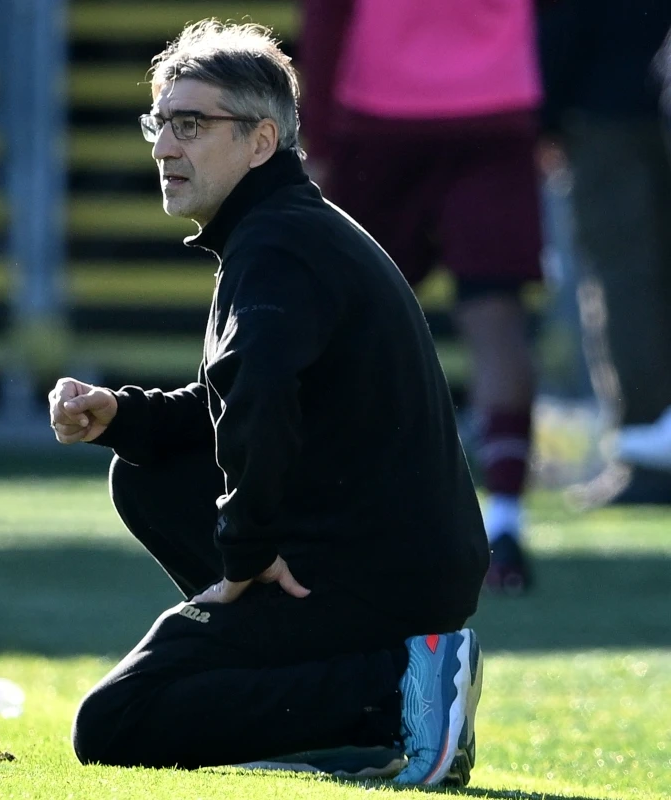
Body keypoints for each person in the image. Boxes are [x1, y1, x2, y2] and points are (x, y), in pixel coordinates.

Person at [51, 21, 486, 785]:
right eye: (160, 123)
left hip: (376, 573)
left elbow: (261, 394)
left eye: (192, 124)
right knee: (145, 469)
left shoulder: (277, 245)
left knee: (115, 722)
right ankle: (353, 693)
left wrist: (247, 552)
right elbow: (232, 400)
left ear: (260, 142)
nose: (163, 147)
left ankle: (395, 690)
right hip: (391, 559)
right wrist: (125, 415)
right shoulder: (282, 230)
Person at [300, 0, 544, 592]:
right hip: (497, 104)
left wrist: (319, 139)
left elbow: (326, 14)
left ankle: (345, 517)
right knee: (495, 317)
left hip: (381, 110)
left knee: (355, 328)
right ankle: (505, 521)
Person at [541, 1, 671, 507]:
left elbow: (564, 19)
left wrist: (546, 111)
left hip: (606, 110)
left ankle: (646, 453)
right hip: (624, 99)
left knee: (627, 286)